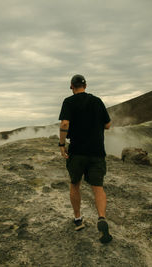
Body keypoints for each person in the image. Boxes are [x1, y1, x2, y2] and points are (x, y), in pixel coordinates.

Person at [58, 74, 113, 244]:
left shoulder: (69, 101)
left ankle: (78, 219)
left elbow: (65, 124)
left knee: (75, 184)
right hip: (96, 151)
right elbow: (108, 125)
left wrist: (61, 144)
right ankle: (102, 218)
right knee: (98, 187)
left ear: (71, 86)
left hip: (77, 152)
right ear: (85, 85)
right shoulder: (97, 101)